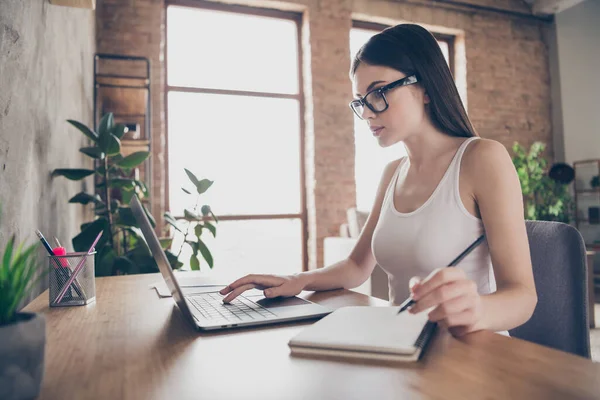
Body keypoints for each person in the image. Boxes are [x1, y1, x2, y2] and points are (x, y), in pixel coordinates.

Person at [220, 23, 537, 336]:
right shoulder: (392, 173)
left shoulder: (482, 159)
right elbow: (356, 267)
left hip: (470, 355)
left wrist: (476, 310)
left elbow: (522, 297)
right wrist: (296, 280)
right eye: (361, 100)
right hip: (402, 348)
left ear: (425, 88)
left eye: (378, 93)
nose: (368, 112)